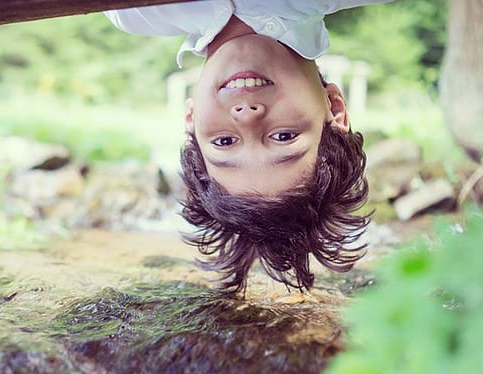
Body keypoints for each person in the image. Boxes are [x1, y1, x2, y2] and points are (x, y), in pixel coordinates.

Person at [105, 1, 391, 294]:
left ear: (192, 120)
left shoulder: (131, 13)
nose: (248, 116)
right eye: (283, 137)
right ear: (334, 108)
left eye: (225, 142)